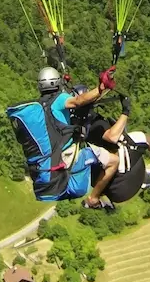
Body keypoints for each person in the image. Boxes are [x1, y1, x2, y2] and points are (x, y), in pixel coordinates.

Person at [80, 94, 150, 208]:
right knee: (140, 138)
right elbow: (112, 137)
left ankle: (142, 174)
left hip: (110, 186)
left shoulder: (76, 129)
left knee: (122, 144)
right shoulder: (94, 127)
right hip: (122, 184)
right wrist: (126, 111)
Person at [34, 65, 122, 207]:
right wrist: (101, 88)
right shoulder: (60, 100)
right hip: (67, 159)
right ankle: (93, 199)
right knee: (114, 161)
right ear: (56, 82)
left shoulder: (39, 107)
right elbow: (79, 101)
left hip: (50, 160)